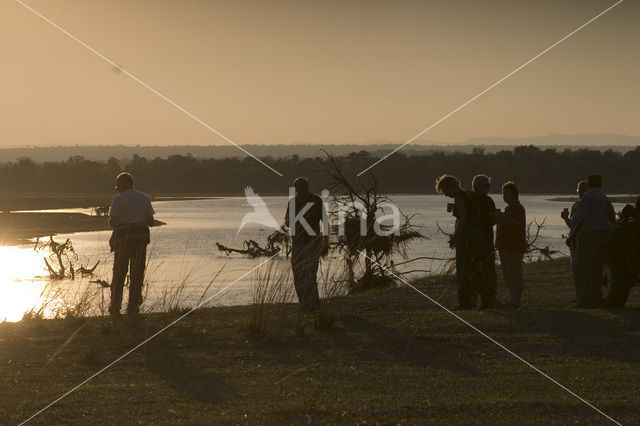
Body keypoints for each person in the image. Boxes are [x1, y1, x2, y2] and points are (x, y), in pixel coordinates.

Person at [108, 172, 155, 318]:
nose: (116, 189)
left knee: (119, 273)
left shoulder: (118, 200)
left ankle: (115, 307)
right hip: (140, 239)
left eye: (117, 185)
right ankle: (133, 307)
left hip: (123, 240)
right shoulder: (145, 198)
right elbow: (151, 222)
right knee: (137, 274)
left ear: (123, 184)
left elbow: (112, 222)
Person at [567, 174, 615, 308]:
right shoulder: (604, 197)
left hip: (588, 236)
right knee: (596, 268)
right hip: (601, 236)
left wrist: (572, 236)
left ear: (589, 184)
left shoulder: (588, 197)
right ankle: (596, 297)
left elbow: (581, 218)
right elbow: (612, 216)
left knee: (581, 269)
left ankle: (584, 299)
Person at [435, 174, 482, 310]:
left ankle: (465, 302)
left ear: (450, 187)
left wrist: (455, 236)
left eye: (444, 191)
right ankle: (472, 299)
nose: (445, 195)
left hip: (467, 236)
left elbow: (463, 218)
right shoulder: (468, 194)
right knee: (472, 267)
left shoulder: (459, 197)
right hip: (476, 234)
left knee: (463, 268)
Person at [283, 177, 328, 312]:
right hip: (297, 243)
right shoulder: (292, 203)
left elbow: (325, 222)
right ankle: (304, 304)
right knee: (297, 275)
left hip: (313, 243)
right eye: (300, 187)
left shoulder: (316, 200)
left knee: (310, 275)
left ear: (308, 187)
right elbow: (287, 222)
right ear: (296, 189)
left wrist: (326, 243)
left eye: (305, 186)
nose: (303, 189)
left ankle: (314, 305)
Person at [495, 181, 526, 308]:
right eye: (503, 194)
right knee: (508, 274)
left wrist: (504, 217)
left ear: (514, 194)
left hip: (514, 246)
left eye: (506, 194)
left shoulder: (518, 208)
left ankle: (516, 301)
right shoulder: (508, 209)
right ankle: (513, 299)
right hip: (504, 246)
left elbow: (520, 225)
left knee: (514, 273)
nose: (504, 196)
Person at [472, 174, 497, 309]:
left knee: (488, 268)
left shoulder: (488, 201)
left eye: (488, 185)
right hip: (478, 239)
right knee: (480, 268)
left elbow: (489, 222)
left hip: (486, 238)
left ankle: (489, 297)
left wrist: (495, 219)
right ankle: (483, 297)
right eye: (485, 185)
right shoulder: (475, 200)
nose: (488, 188)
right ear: (477, 186)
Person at [561, 180, 589, 281]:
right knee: (575, 266)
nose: (581, 192)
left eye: (584, 190)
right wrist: (565, 218)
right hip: (575, 240)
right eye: (579, 190)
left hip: (584, 239)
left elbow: (581, 224)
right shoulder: (575, 205)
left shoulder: (588, 205)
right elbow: (572, 226)